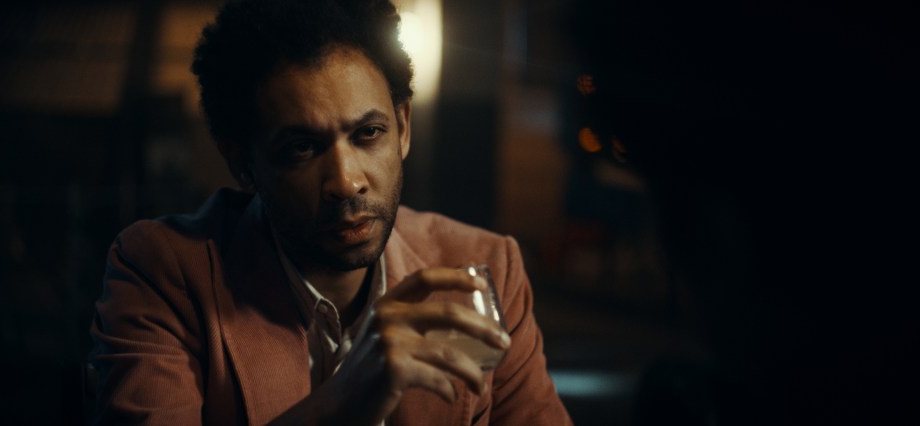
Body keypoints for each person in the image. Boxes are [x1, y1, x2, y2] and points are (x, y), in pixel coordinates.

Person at [88, 1, 572, 425]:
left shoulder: (486, 270)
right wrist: (343, 402)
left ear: (403, 127)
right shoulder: (162, 274)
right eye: (302, 148)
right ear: (242, 164)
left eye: (368, 134)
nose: (345, 181)